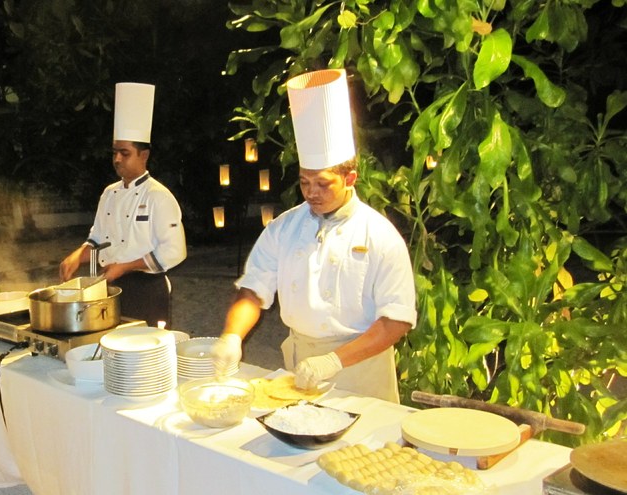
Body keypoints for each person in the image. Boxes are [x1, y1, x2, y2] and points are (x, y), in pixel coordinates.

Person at [212, 69, 416, 403]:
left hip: (360, 368)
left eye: (323, 183)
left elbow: (396, 321)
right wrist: (232, 336)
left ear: (350, 178)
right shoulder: (285, 228)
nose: (311, 193)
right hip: (300, 362)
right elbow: (254, 289)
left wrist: (333, 361)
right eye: (305, 182)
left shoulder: (380, 235)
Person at [59, 82, 186, 327]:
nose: (117, 159)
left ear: (144, 155)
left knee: (144, 356)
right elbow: (97, 239)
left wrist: (126, 267)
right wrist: (77, 256)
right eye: (115, 152)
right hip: (109, 285)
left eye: (125, 153)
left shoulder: (158, 196)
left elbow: (175, 251)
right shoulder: (109, 193)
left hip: (146, 289)